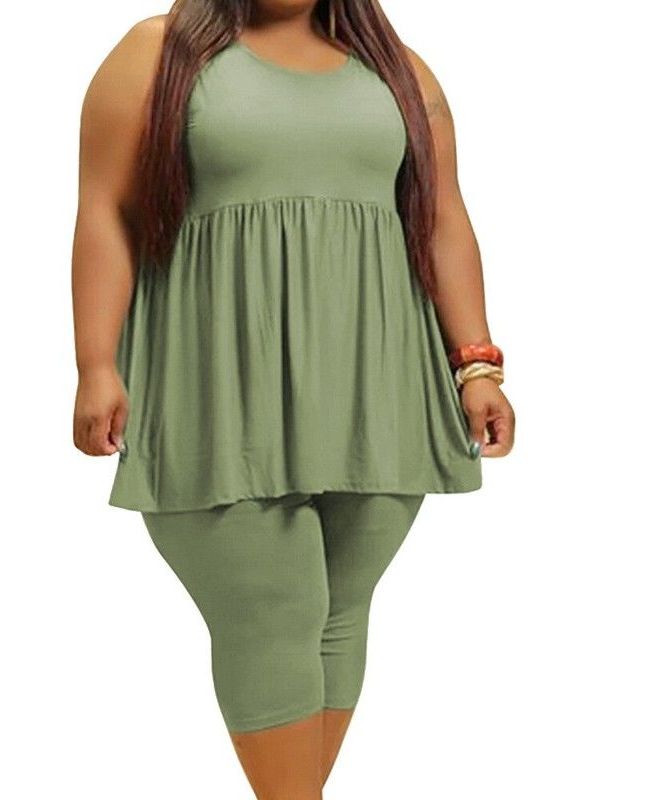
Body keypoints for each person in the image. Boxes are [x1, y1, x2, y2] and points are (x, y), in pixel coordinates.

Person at [71, 1, 515, 797]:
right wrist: (95, 362)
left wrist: (477, 364)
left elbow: (444, 216)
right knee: (272, 614)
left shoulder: (398, 69)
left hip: (379, 389)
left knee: (339, 613)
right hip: (217, 387)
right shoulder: (155, 54)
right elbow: (107, 209)